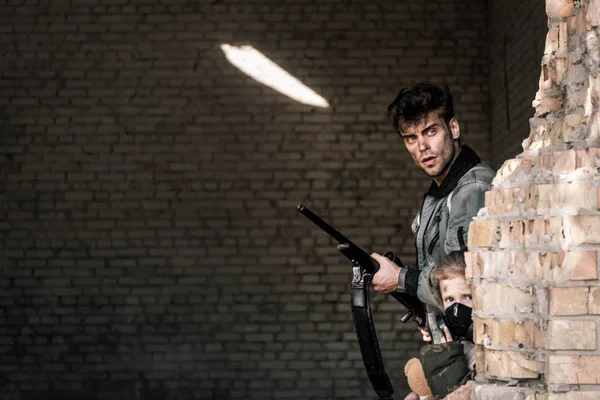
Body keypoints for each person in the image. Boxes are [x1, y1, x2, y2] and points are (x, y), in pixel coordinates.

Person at [370, 83, 495, 344]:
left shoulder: (471, 190)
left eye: (431, 131)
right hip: (454, 345)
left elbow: (467, 279)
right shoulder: (437, 196)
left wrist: (401, 279)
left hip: (481, 352)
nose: (422, 146)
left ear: (454, 128)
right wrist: (428, 315)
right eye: (411, 138)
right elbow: (443, 275)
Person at [404, 250, 476, 400]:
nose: (457, 309)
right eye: (450, 299)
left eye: (468, 297)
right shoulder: (452, 344)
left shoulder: (489, 353)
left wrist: (448, 359)